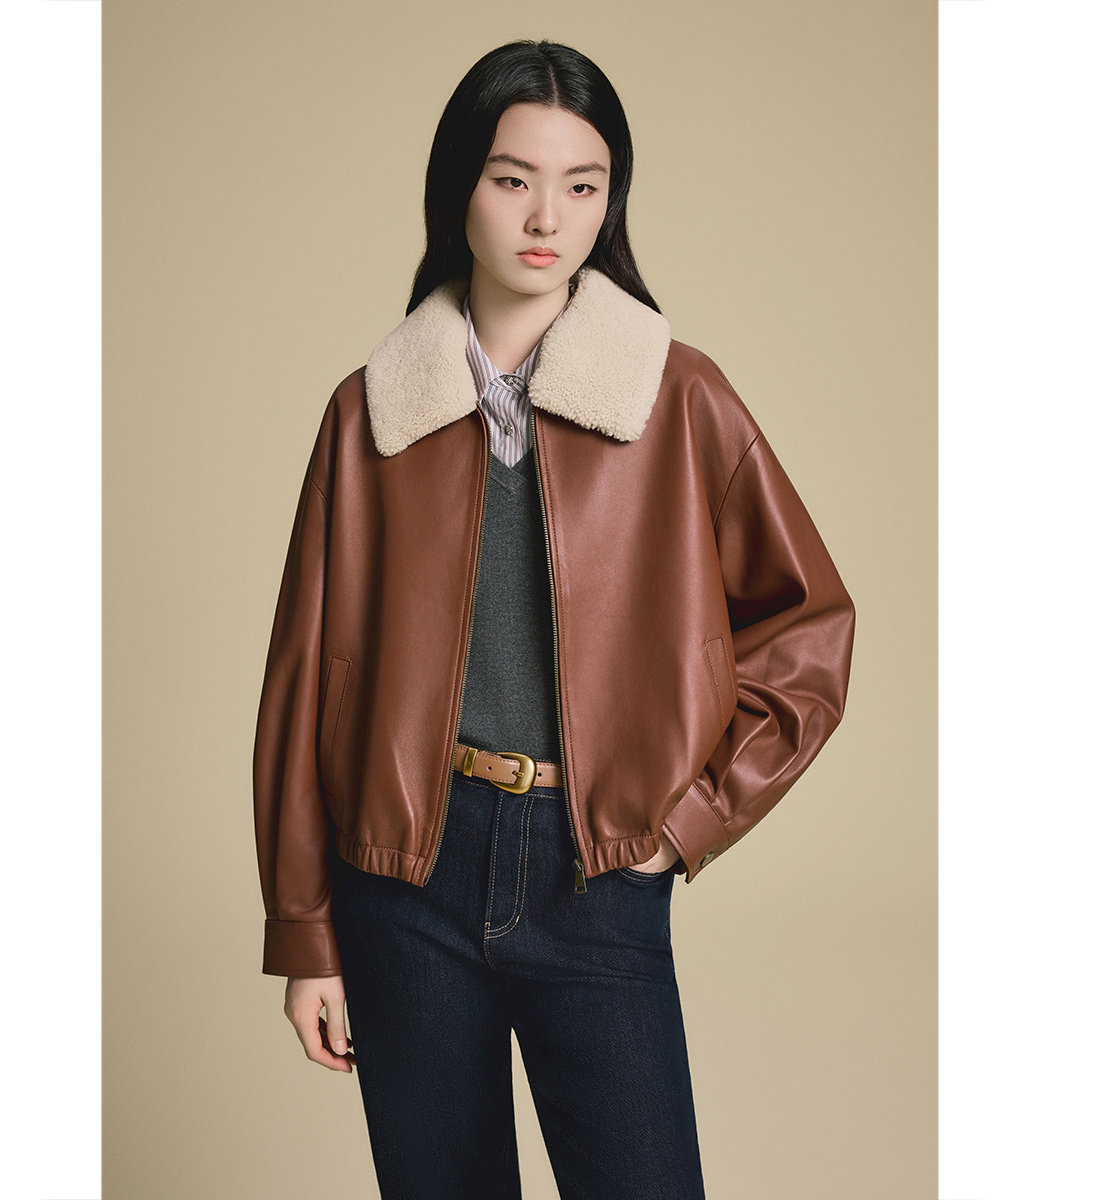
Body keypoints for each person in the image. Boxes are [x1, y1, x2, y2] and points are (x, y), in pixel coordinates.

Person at [252, 38, 855, 1200]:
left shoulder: (678, 395)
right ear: (460, 189)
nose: (547, 217)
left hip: (596, 875)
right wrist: (305, 933)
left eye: (583, 185)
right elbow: (301, 685)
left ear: (610, 201)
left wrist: (686, 823)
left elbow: (809, 629)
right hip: (403, 880)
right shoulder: (371, 414)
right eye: (512, 178)